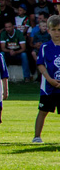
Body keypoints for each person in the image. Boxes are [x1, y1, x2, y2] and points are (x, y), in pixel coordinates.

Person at [33, 15, 60, 143]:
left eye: (59, 30)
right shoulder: (45, 47)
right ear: (48, 30)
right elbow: (41, 65)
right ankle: (37, 136)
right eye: (54, 29)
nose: (57, 33)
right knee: (43, 111)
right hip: (48, 87)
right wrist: (49, 79)